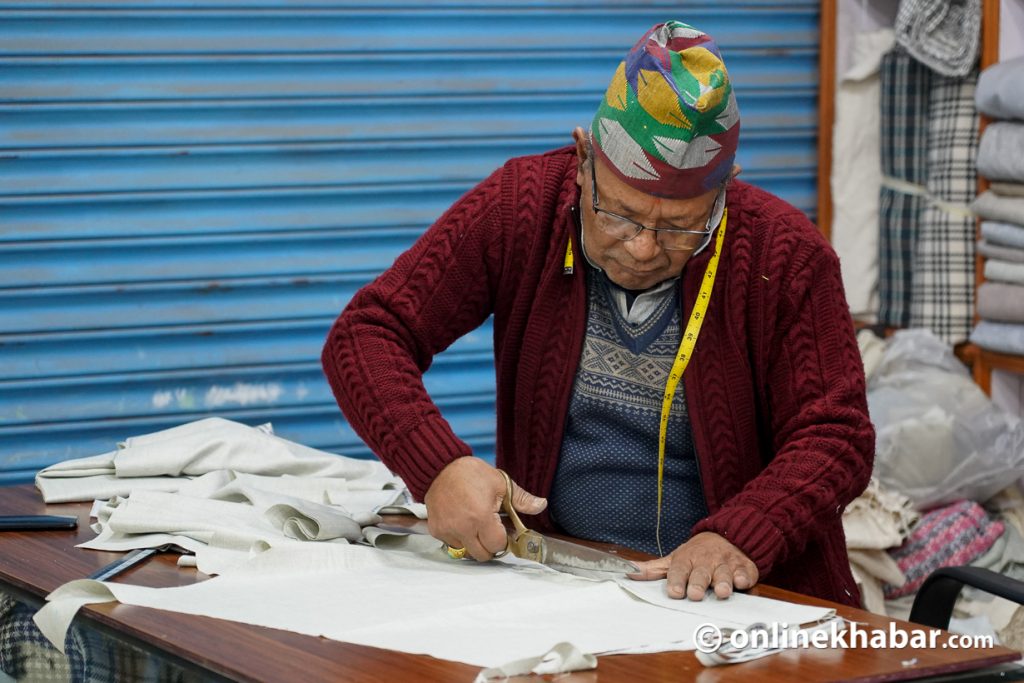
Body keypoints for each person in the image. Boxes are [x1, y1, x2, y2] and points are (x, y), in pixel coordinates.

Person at [322, 21, 874, 607]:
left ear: (725, 191)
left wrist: (739, 534)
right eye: (619, 214)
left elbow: (837, 434)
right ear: (583, 159)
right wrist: (437, 466)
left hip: (741, 599)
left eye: (680, 227)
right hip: (560, 584)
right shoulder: (521, 207)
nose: (642, 247)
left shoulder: (783, 255)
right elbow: (366, 335)